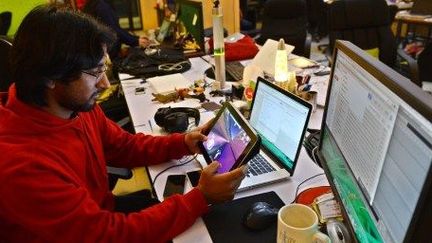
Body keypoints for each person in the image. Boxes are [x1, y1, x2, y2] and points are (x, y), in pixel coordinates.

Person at [0, 4, 246, 242]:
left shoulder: (72, 106)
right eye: (96, 72)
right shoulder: (22, 166)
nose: (105, 84)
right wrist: (200, 198)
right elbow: (108, 235)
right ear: (51, 77)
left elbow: (123, 146)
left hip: (96, 215)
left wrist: (182, 142)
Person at [83, 0, 150, 59]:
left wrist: (135, 38)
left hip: (99, 52)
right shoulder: (102, 6)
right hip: (105, 54)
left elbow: (115, 28)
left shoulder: (95, 3)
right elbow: (113, 30)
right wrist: (136, 41)